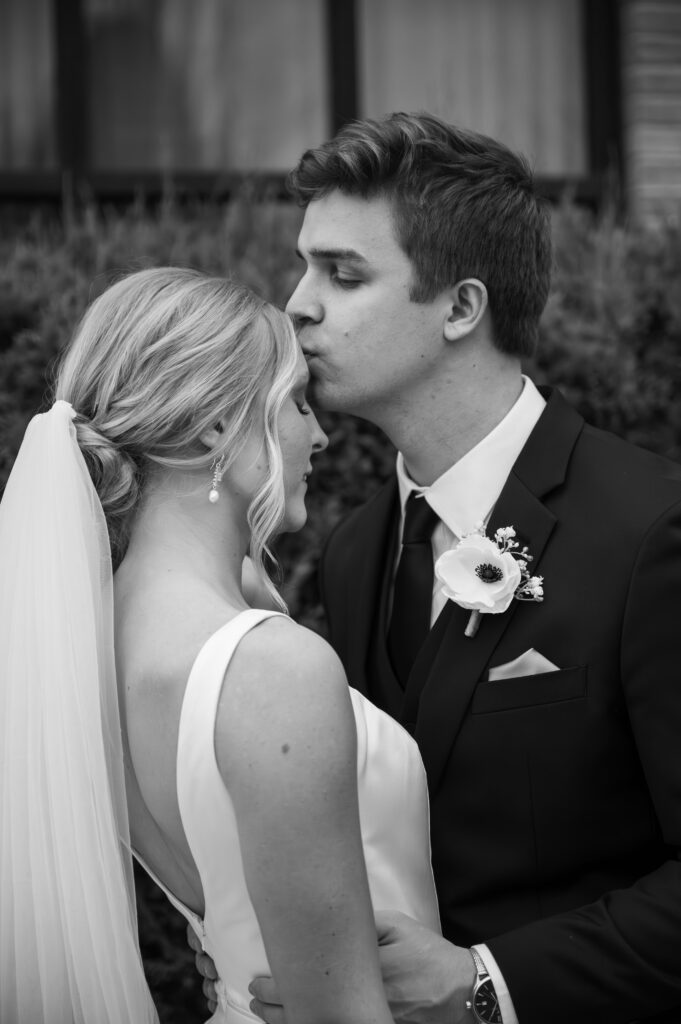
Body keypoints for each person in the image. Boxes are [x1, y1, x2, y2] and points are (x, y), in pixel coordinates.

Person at [235, 113, 681, 1024]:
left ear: (461, 308)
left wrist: (490, 986)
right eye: (302, 265)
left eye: (342, 273)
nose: (296, 305)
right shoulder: (356, 551)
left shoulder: (651, 532)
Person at [0, 267, 444, 1024]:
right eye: (297, 401)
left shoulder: (85, 649)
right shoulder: (270, 669)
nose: (320, 434)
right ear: (213, 427)